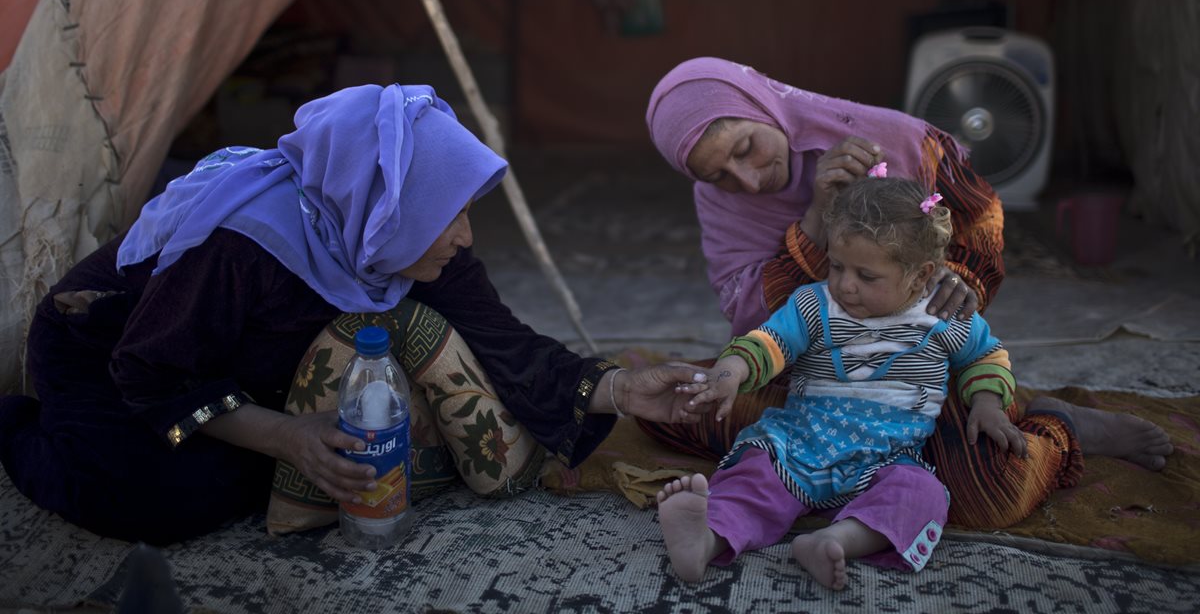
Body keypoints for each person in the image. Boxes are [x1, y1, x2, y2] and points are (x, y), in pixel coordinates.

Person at [0, 83, 709, 545]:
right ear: (391, 206)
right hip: (112, 351)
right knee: (156, 500)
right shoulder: (242, 245)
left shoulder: (398, 233)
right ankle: (15, 422)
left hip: (232, 366)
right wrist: (283, 434)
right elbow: (150, 368)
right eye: (453, 213)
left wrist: (618, 386)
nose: (465, 235)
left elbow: (506, 341)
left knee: (309, 464)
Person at [643, 56, 1173, 529]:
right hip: (803, 378)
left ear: (759, 105)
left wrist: (955, 281)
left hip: (908, 380)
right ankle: (849, 471)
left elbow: (979, 223)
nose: (749, 181)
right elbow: (750, 320)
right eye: (720, 176)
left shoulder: (896, 140)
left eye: (744, 148)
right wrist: (815, 221)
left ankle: (1056, 426)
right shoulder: (718, 200)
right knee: (667, 405)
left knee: (988, 489)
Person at [658, 175, 1028, 588]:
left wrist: (988, 402)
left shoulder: (944, 314)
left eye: (866, 276)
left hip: (889, 457)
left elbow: (985, 355)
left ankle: (835, 540)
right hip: (798, 446)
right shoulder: (815, 305)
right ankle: (705, 539)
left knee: (919, 492)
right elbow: (769, 343)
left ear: (921, 274)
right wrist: (729, 373)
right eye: (836, 266)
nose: (845, 284)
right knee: (756, 475)